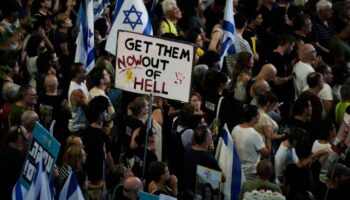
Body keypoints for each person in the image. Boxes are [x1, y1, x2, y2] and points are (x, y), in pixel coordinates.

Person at [83, 96, 115, 199]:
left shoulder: (86, 131)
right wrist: (114, 172)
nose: (107, 114)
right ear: (100, 114)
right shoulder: (103, 136)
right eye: (105, 112)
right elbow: (109, 159)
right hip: (98, 176)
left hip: (87, 173)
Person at [231, 105, 271, 180]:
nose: (260, 116)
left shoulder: (235, 128)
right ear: (253, 118)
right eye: (258, 114)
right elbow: (267, 154)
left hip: (236, 169)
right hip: (250, 173)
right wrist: (268, 136)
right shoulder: (254, 135)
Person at [183, 125, 222, 193]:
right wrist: (210, 154)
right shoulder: (209, 158)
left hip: (188, 189)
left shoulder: (188, 149)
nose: (212, 137)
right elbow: (222, 178)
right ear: (207, 139)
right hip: (200, 193)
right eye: (210, 135)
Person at [67, 63, 88, 135]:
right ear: (77, 74)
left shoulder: (81, 84)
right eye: (84, 72)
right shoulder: (77, 92)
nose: (86, 73)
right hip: (77, 130)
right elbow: (88, 109)